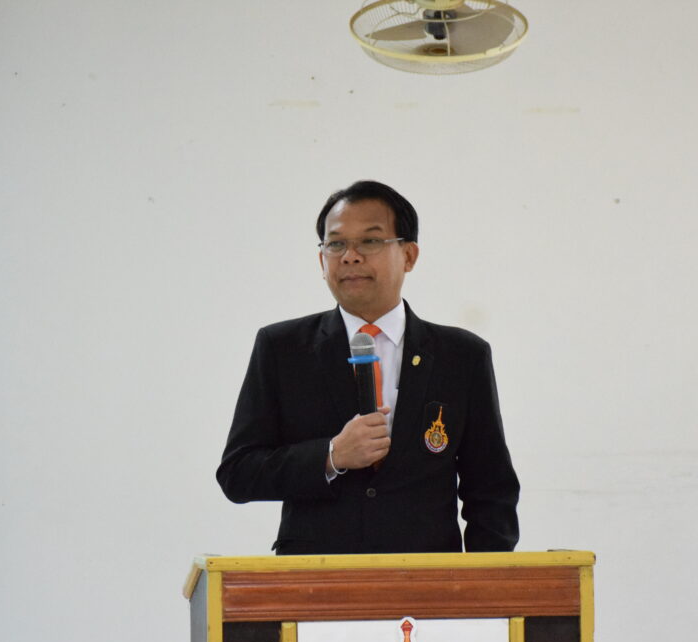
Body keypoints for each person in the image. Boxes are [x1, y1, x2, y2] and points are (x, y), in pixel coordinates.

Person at [217, 180, 519, 555]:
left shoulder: (461, 355)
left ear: (409, 255)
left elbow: (491, 490)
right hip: (315, 576)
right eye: (336, 244)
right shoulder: (282, 348)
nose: (350, 256)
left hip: (425, 577)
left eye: (370, 241)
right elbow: (238, 473)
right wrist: (331, 456)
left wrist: (483, 581)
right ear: (321, 260)